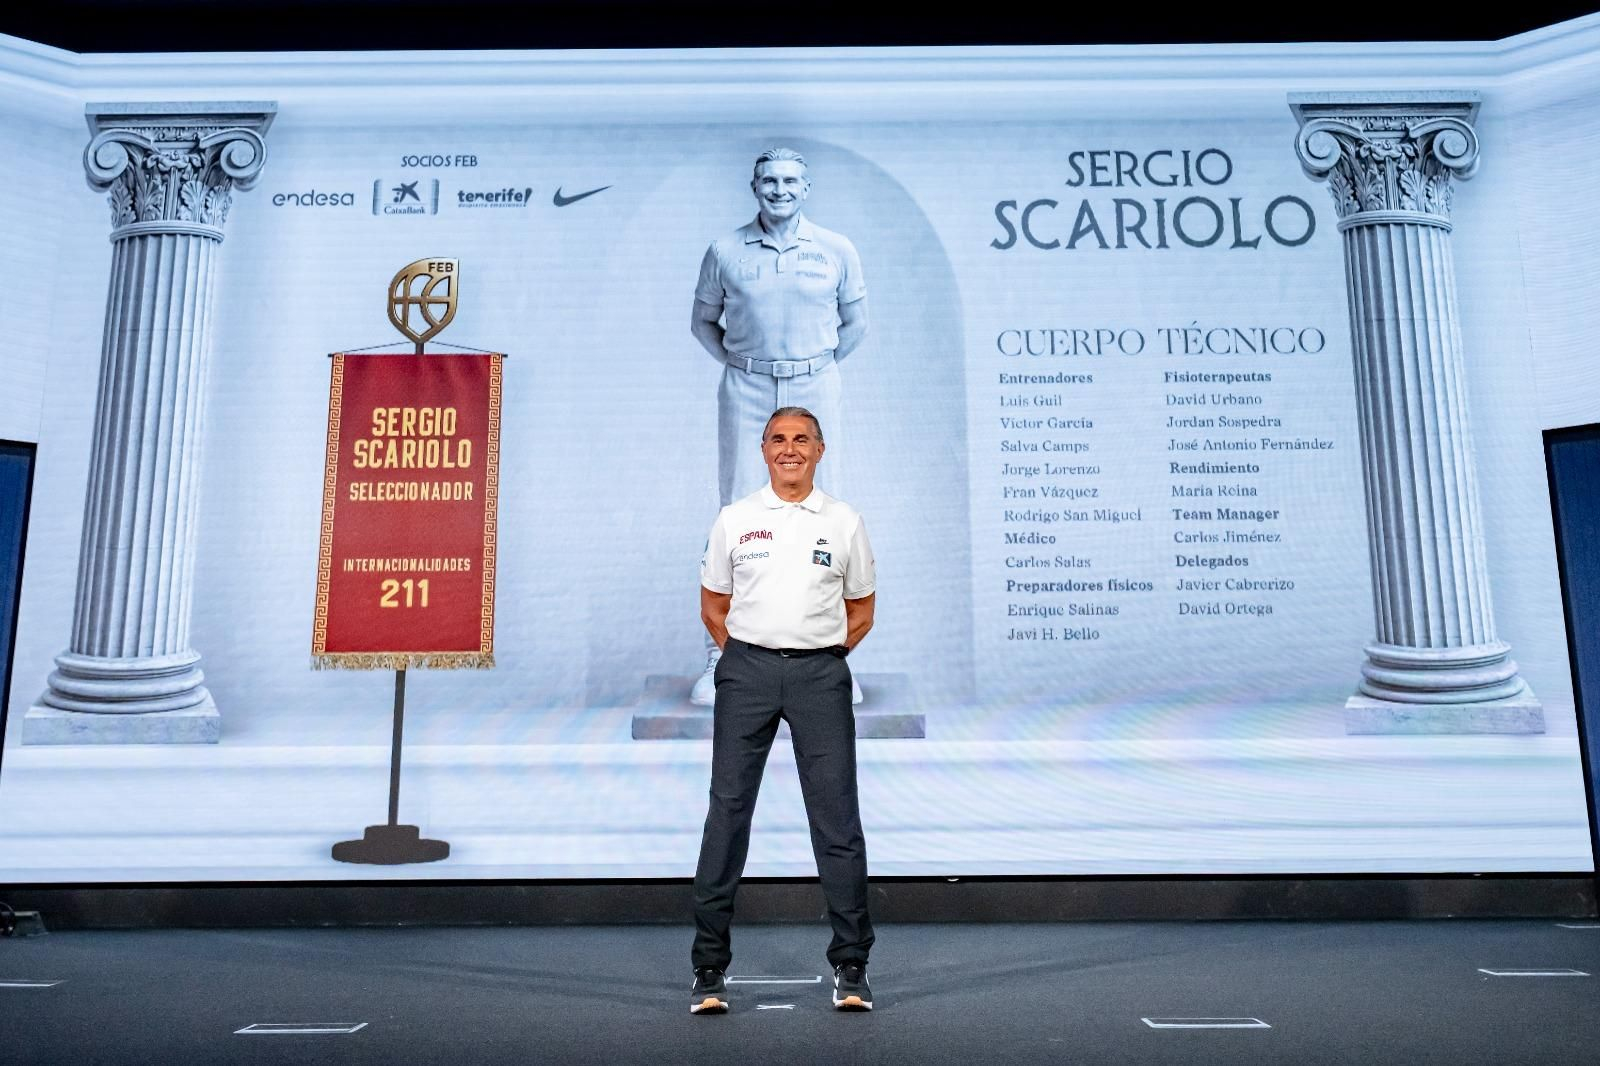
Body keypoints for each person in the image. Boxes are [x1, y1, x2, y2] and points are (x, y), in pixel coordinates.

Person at [689, 407, 876, 1014]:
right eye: (778, 439)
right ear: (764, 450)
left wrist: (818, 656)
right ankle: (709, 968)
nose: (789, 448)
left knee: (837, 819)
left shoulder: (844, 521)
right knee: (727, 813)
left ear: (820, 450)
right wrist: (753, 658)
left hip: (820, 676)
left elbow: (862, 610)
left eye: (801, 439)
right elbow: (713, 606)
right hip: (747, 673)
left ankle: (852, 965)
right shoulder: (736, 519)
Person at [689, 147, 869, 707]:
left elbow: (855, 322)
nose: (780, 190)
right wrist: (748, 365)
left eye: (791, 180)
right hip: (747, 386)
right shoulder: (725, 250)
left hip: (815, 384)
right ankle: (723, 654)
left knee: (823, 513)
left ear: (806, 188)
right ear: (754, 186)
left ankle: (830, 655)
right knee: (737, 512)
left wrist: (811, 367)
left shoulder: (836, 248)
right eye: (769, 180)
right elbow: (702, 322)